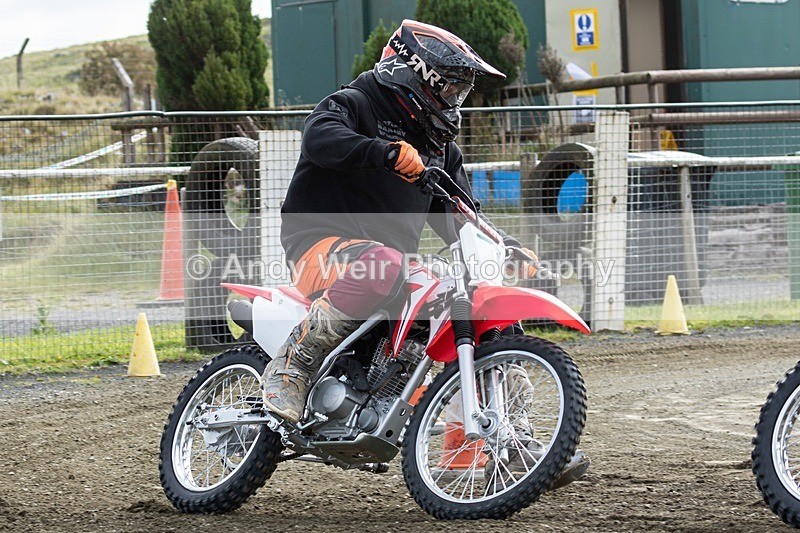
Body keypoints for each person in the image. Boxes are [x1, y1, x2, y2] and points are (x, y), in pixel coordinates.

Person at [262, 19, 588, 487]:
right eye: (452, 86)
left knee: (473, 306)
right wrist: (383, 152)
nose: (456, 98)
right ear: (419, 74)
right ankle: (293, 365)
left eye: (462, 90)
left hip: (386, 265)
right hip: (320, 245)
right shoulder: (353, 103)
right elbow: (318, 140)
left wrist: (504, 245)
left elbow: (461, 214)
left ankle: (506, 444)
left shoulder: (440, 147)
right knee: (385, 265)